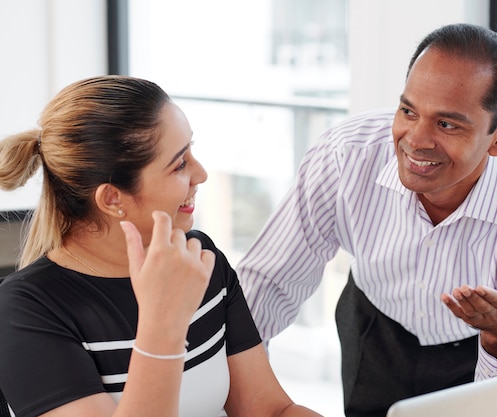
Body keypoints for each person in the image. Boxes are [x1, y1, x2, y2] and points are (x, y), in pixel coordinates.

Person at [236, 23, 497, 417]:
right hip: (375, 326)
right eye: (408, 111)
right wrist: (234, 395)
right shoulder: (345, 156)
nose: (416, 139)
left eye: (447, 124)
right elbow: (267, 284)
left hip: (479, 345)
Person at [0, 75, 323, 417]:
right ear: (112, 198)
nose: (200, 174)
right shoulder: (24, 310)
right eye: (180, 164)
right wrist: (162, 323)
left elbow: (272, 410)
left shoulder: (197, 259)